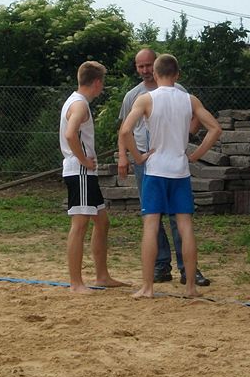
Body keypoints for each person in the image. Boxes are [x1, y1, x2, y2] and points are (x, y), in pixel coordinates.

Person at [119, 54, 222, 298]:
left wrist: (138, 157)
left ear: (155, 74)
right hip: (180, 170)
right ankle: (190, 287)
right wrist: (195, 155)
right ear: (177, 74)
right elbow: (215, 128)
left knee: (151, 226)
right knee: (185, 227)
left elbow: (125, 130)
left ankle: (147, 287)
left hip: (155, 169)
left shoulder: (146, 99)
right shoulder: (189, 99)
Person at [59, 61, 128, 294]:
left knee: (102, 222)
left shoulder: (76, 101)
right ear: (97, 82)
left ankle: (102, 276)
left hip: (85, 173)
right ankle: (76, 283)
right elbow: (70, 134)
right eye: (103, 82)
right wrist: (84, 160)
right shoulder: (79, 105)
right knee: (80, 225)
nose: (103, 86)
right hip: (80, 171)